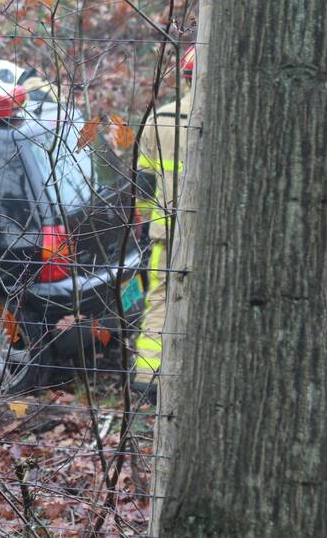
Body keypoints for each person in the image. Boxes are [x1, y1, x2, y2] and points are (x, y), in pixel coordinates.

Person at [133, 46, 196, 400]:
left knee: (159, 299)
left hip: (163, 232)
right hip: (204, 234)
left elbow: (143, 180)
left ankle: (148, 379)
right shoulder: (220, 119)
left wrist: (146, 219)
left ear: (185, 78)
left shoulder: (161, 118)